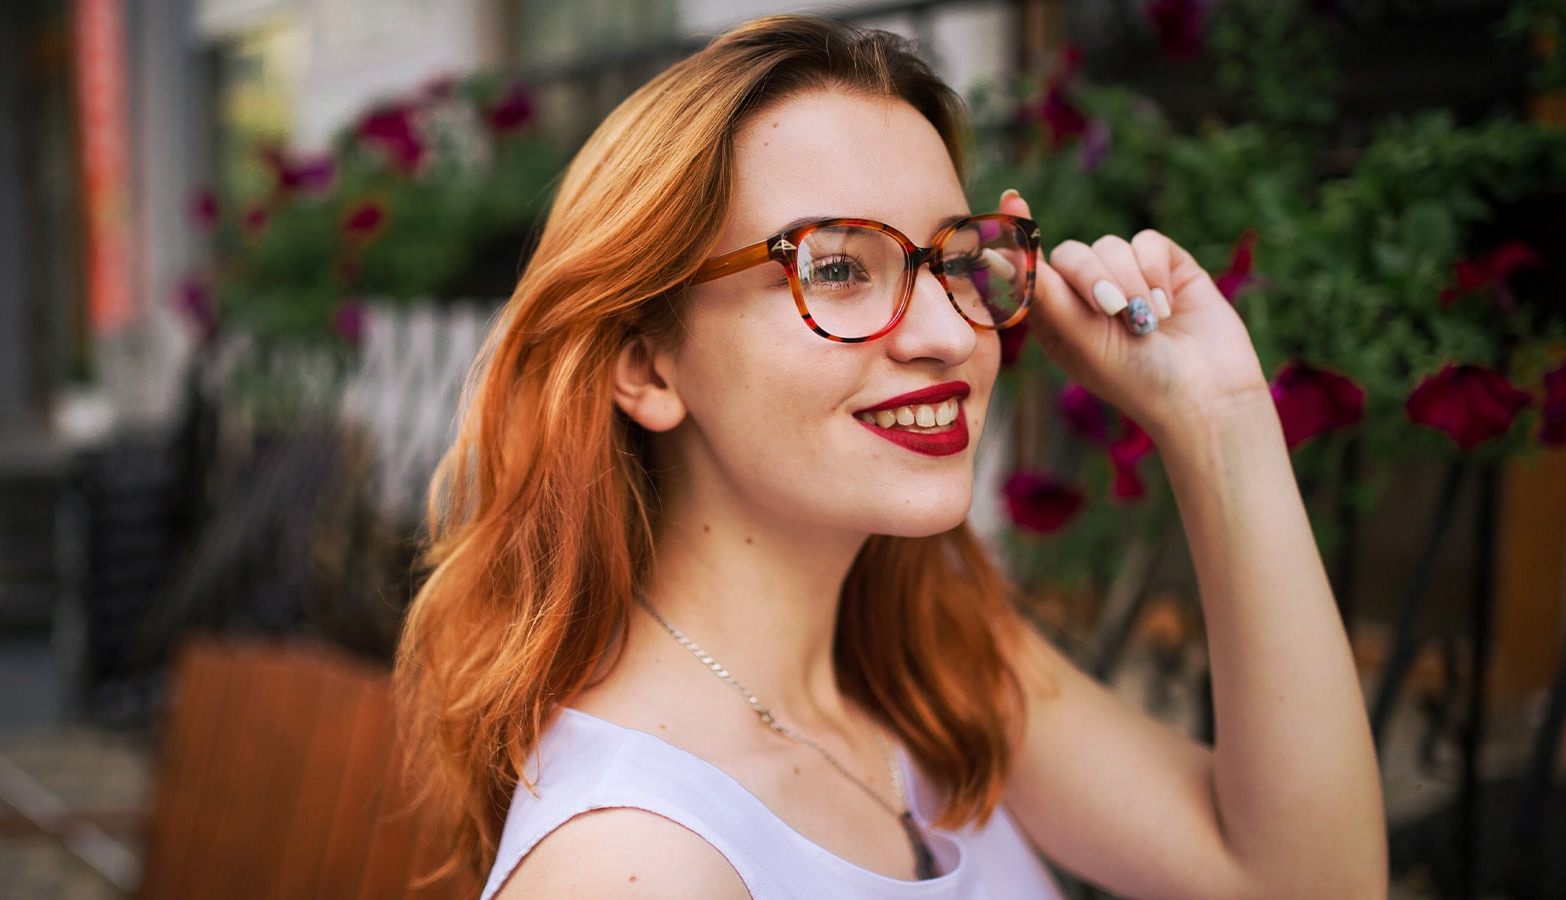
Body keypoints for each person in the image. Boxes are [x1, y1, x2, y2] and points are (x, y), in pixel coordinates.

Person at [395, 14, 1387, 899]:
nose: (950, 334)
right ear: (647, 367)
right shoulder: (637, 863)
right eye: (834, 266)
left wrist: (1218, 418)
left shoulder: (930, 666)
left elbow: (1304, 881)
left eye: (957, 258)